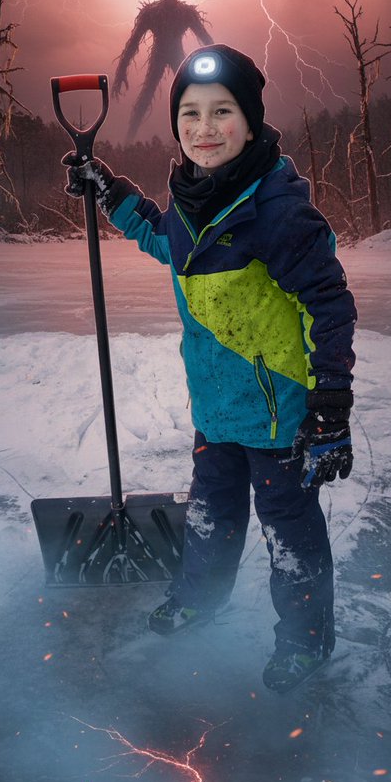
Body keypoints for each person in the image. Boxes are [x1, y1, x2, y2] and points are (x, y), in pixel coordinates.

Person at [65, 44, 357, 692]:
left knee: (289, 533)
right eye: (189, 114)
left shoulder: (276, 210)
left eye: (221, 111)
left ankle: (305, 641)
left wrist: (330, 401)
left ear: (249, 122)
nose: (203, 128)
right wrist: (109, 191)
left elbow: (330, 302)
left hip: (278, 415)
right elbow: (157, 237)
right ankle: (201, 598)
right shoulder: (194, 202)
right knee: (210, 516)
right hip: (217, 409)